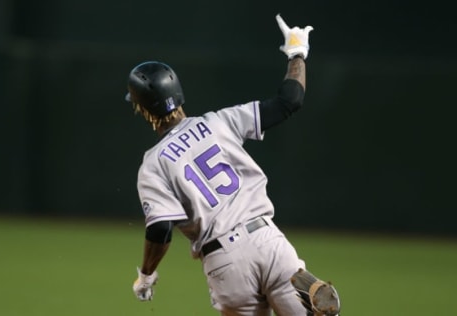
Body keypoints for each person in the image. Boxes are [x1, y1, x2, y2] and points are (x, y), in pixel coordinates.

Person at [126, 14, 340, 316]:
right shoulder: (219, 121)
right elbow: (289, 101)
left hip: (225, 261)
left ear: (142, 109)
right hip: (269, 242)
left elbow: (160, 228)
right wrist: (297, 52)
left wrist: (146, 274)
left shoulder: (153, 164)